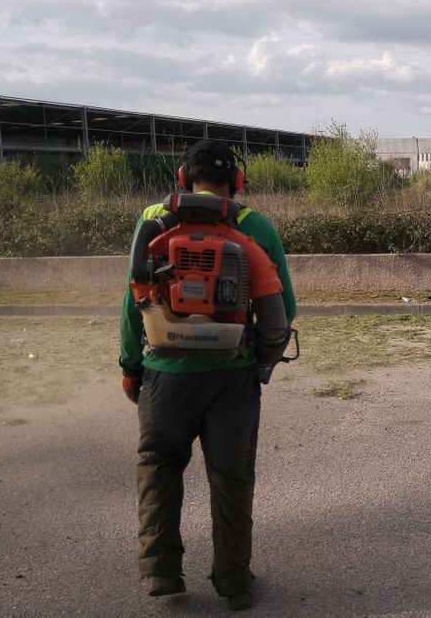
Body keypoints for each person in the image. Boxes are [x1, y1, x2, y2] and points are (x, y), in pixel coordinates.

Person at [119, 139, 297, 610]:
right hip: (232, 375)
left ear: (183, 178)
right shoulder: (255, 225)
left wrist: (130, 367)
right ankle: (234, 582)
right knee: (231, 477)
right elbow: (285, 309)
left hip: (164, 372)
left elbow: (132, 302)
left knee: (159, 468)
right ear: (237, 182)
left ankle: (161, 572)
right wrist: (261, 363)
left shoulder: (153, 220)